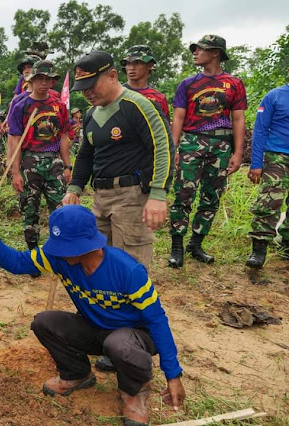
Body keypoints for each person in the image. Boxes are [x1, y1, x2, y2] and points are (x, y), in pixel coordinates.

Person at [0, 205, 186, 426]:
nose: (59, 252)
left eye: (66, 246)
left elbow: (157, 320)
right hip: (94, 328)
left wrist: (173, 374)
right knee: (44, 322)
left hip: (135, 336)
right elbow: (17, 263)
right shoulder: (60, 258)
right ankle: (77, 373)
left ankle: (135, 392)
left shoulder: (128, 271)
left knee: (119, 344)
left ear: (86, 244)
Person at [63, 50, 174, 269]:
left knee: (129, 268)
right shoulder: (91, 114)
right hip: (100, 198)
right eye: (83, 88)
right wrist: (74, 187)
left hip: (132, 198)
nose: (87, 93)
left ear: (112, 76)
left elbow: (163, 148)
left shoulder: (138, 106)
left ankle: (132, 304)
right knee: (97, 262)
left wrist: (158, 194)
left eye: (92, 85)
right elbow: (86, 153)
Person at [167, 35, 246, 268]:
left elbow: (238, 118)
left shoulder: (234, 84)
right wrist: (174, 149)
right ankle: (177, 246)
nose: (195, 52)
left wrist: (238, 153)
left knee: (211, 197)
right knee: (183, 195)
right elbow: (178, 117)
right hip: (192, 142)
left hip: (222, 146)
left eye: (200, 49)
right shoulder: (188, 84)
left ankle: (196, 243)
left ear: (215, 53)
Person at [8, 60, 71, 266]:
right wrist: (15, 172)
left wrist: (67, 165)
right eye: (39, 79)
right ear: (31, 80)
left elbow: (62, 137)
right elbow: (14, 139)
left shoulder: (59, 106)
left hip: (54, 162)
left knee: (60, 209)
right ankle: (34, 256)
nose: (44, 83)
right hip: (29, 161)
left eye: (48, 79)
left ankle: (59, 254)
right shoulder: (21, 105)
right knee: (30, 209)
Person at [245, 81, 289, 268]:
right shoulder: (274, 96)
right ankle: (259, 249)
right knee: (269, 200)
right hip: (277, 156)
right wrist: (256, 164)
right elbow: (260, 129)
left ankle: (286, 244)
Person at [121, 45, 170, 119]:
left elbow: (164, 128)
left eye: (137, 63)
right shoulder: (116, 94)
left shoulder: (159, 98)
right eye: (128, 63)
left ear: (150, 65)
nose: (131, 68)